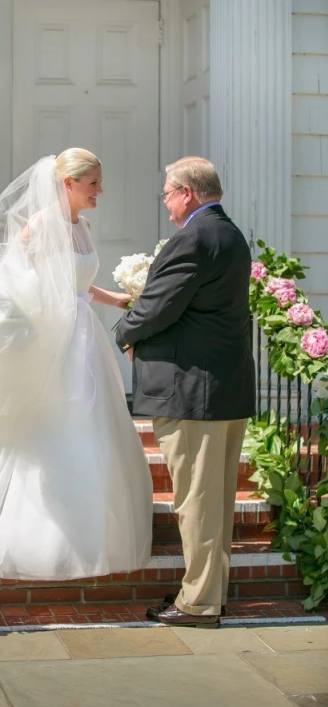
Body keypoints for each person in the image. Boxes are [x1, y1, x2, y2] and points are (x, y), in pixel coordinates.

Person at [0, 148, 153, 580]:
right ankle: (39, 536)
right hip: (54, 338)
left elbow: (79, 286)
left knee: (94, 423)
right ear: (67, 184)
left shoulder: (82, 226)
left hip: (85, 337)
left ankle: (97, 528)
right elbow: (15, 282)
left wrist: (122, 299)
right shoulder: (38, 227)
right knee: (53, 426)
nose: (99, 191)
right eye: (93, 183)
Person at [116, 156, 255, 629]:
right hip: (224, 388)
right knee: (214, 501)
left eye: (167, 194)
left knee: (195, 501)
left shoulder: (193, 237)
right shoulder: (231, 234)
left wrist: (124, 332)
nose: (166, 203)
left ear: (187, 192)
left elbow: (159, 307)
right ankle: (208, 595)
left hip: (193, 392)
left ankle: (198, 603)